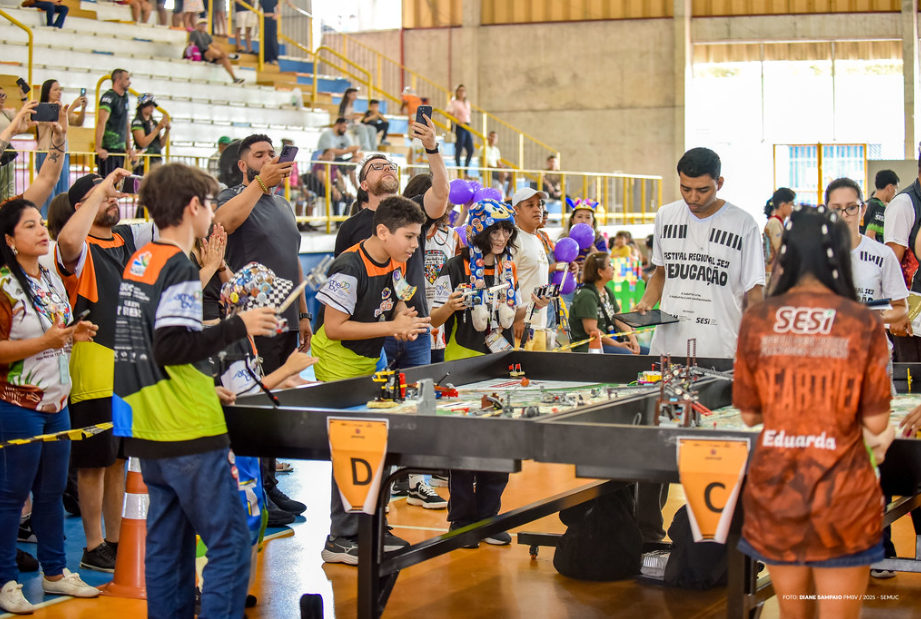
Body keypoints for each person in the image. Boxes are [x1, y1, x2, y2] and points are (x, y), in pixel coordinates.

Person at [111, 162, 279, 619]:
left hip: (148, 424)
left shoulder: (141, 260)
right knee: (231, 543)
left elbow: (151, 345)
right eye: (210, 203)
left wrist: (205, 388)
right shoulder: (178, 267)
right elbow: (172, 345)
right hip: (186, 430)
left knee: (169, 548)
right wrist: (238, 324)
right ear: (192, 207)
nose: (213, 212)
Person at [733, 205, 895, 619]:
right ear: (839, 253)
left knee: (793, 614)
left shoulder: (758, 320)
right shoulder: (861, 322)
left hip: (778, 492)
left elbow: (750, 415)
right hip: (843, 495)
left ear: (784, 253)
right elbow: (876, 422)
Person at [313, 196, 430, 564]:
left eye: (417, 236)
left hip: (370, 359)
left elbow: (398, 300)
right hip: (337, 363)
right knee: (351, 448)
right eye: (409, 236)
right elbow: (335, 327)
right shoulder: (349, 267)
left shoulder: (396, 261)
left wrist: (403, 320)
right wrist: (391, 328)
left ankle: (371, 523)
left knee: (377, 444)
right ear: (382, 231)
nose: (415, 245)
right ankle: (341, 538)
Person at [0, 198, 101, 615]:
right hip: (17, 403)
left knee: (52, 492)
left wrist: (74, 333)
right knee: (12, 495)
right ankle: (5, 579)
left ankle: (55, 572)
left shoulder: (51, 277)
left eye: (41, 224)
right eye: (29, 226)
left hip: (58, 402)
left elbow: (54, 329)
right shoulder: (4, 284)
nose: (42, 231)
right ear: (9, 239)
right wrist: (45, 342)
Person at [54, 170, 156, 572]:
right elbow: (67, 241)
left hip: (128, 363)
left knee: (118, 460)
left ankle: (115, 540)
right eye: (102, 195)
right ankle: (93, 544)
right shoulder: (77, 247)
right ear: (83, 205)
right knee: (94, 461)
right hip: (93, 361)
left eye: (114, 194)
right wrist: (100, 191)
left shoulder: (128, 238)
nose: (113, 198)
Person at [430, 200, 545, 547]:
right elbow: (432, 319)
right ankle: (462, 521)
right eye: (494, 230)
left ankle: (489, 517)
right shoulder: (454, 266)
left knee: (499, 442)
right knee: (463, 445)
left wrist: (533, 304)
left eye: (506, 230)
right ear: (479, 231)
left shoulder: (510, 268)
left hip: (501, 363)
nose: (501, 237)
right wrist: (450, 306)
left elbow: (513, 314)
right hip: (462, 364)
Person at [214, 134, 311, 518]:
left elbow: (293, 258)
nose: (269, 159)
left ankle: (269, 485)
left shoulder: (283, 204)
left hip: (286, 319)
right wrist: (259, 183)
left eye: (273, 153)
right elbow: (221, 225)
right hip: (252, 320)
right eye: (259, 155)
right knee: (256, 404)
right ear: (243, 165)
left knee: (275, 407)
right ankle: (256, 490)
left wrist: (303, 313)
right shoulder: (232, 196)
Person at [634, 147, 765, 359]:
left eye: (703, 190)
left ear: (719, 184)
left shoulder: (743, 224)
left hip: (721, 347)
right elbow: (661, 274)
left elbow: (755, 292)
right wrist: (646, 303)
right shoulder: (666, 216)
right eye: (685, 189)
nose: (693, 197)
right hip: (668, 346)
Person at [883, 151, 921, 362]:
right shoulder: (904, 204)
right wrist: (897, 311)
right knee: (913, 378)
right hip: (912, 321)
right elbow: (889, 266)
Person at [568, 252, 645, 354]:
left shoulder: (607, 291)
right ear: (600, 271)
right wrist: (618, 345)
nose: (614, 268)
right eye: (610, 265)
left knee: (648, 352)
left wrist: (632, 339)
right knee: (627, 355)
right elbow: (592, 331)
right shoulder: (587, 295)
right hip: (589, 347)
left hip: (609, 342)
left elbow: (619, 320)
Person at [1, 100, 69, 210]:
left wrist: (59, 136)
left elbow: (48, 179)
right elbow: (47, 179)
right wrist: (11, 131)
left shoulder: (8, 213)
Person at [35, 79, 87, 217]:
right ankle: (46, 219)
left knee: (63, 190)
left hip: (62, 152)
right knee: (47, 190)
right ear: (47, 92)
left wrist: (82, 108)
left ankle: (60, 219)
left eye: (60, 89)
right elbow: (56, 121)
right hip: (46, 152)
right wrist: (73, 107)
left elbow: (78, 122)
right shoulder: (42, 108)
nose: (59, 92)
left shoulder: (62, 110)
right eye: (55, 89)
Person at [511, 188, 550, 347]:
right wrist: (516, 319)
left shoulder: (537, 239)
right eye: (530, 205)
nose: (537, 209)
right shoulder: (515, 239)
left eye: (539, 205)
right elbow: (507, 281)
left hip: (539, 325)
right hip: (521, 328)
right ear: (516, 210)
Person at [96, 69, 134, 178]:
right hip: (108, 150)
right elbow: (101, 121)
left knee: (117, 181)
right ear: (118, 80)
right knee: (106, 181)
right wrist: (98, 147)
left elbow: (126, 123)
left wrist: (129, 147)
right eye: (127, 79)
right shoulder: (109, 97)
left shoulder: (125, 97)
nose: (129, 82)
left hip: (120, 150)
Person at [190, 19, 245, 83]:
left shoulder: (206, 34)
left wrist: (223, 52)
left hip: (210, 54)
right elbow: (191, 44)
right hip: (201, 53)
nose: (203, 26)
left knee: (225, 59)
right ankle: (228, 56)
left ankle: (234, 78)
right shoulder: (194, 33)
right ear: (197, 25)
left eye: (205, 24)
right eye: (202, 24)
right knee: (211, 51)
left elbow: (215, 45)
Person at [316, 118, 362, 189]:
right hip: (328, 160)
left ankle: (358, 190)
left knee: (353, 165)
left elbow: (352, 148)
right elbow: (331, 152)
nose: (345, 129)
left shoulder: (344, 135)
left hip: (339, 160)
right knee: (346, 169)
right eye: (343, 127)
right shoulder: (327, 135)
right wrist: (349, 150)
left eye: (346, 128)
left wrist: (356, 155)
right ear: (337, 125)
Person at [131, 94, 169, 175]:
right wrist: (158, 129)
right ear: (142, 106)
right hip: (144, 162)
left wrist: (167, 131)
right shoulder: (137, 122)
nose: (152, 107)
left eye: (153, 105)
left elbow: (160, 145)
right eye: (149, 105)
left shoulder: (154, 123)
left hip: (157, 160)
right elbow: (142, 143)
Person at [762, 187, 795, 278]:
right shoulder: (774, 223)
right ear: (783, 205)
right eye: (791, 204)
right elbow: (780, 251)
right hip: (772, 273)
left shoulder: (778, 223)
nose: (792, 208)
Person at [863, 169, 899, 243]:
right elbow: (870, 237)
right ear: (890, 187)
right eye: (895, 189)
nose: (895, 193)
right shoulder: (880, 207)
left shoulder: (866, 204)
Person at [446, 84, 473, 171]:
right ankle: (459, 170)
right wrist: (456, 120)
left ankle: (465, 171)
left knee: (470, 149)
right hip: (459, 126)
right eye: (460, 91)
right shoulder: (453, 102)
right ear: (457, 92)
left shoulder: (467, 102)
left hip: (467, 126)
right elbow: (448, 114)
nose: (462, 93)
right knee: (459, 149)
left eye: (463, 91)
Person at [484, 131, 510, 196]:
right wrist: (498, 169)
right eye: (491, 136)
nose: (493, 138)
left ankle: (507, 194)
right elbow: (484, 164)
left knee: (511, 173)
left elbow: (499, 162)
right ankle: (500, 191)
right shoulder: (483, 149)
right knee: (502, 173)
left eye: (494, 137)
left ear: (497, 139)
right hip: (488, 170)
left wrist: (504, 168)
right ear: (488, 138)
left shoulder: (496, 150)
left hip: (495, 170)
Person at [260, 0, 280, 65]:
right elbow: (258, 10)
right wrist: (258, 20)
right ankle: (266, 59)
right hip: (264, 20)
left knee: (273, 39)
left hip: (272, 19)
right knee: (266, 39)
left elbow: (278, 10)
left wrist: (276, 15)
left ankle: (275, 58)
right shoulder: (261, 1)